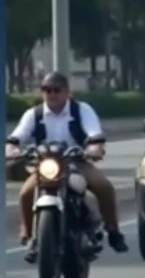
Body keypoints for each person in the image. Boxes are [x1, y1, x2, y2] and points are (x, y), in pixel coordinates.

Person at [5, 72, 128, 262]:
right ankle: (30, 237)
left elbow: (94, 132)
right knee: (25, 193)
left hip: (76, 162)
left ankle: (113, 231)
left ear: (67, 91)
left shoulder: (81, 110)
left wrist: (94, 148)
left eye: (56, 90)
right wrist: (12, 148)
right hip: (45, 164)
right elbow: (17, 135)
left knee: (103, 186)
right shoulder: (34, 114)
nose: (52, 94)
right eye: (47, 90)